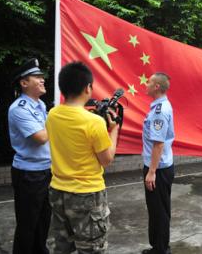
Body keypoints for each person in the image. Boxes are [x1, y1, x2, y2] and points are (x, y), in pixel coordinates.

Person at [46, 62, 119, 254]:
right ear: (88, 88)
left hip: (58, 190)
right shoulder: (93, 122)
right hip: (87, 195)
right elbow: (106, 159)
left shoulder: (52, 115)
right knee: (92, 249)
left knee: (62, 247)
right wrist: (115, 130)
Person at [8, 58, 52, 254]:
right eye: (36, 77)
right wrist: (59, 120)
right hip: (28, 174)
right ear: (24, 83)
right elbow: (41, 137)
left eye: (42, 77)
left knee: (44, 220)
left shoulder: (40, 104)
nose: (42, 80)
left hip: (45, 170)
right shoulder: (19, 109)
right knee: (27, 224)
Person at [141, 73, 175, 254]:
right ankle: (158, 247)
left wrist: (151, 171)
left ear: (156, 87)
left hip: (158, 169)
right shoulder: (159, 107)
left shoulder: (160, 111)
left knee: (159, 212)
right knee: (156, 210)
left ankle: (162, 250)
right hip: (159, 167)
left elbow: (158, 143)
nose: (145, 84)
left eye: (149, 82)